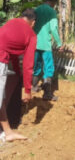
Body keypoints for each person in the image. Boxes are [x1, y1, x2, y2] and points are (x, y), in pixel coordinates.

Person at [0, 8, 37, 141]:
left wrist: (16, 71)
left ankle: (8, 131)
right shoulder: (31, 35)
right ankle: (8, 132)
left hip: (2, 56)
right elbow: (28, 65)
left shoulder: (11, 23)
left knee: (1, 100)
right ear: (33, 22)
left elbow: (13, 53)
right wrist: (27, 90)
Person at [32, 0, 63, 100]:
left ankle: (34, 87)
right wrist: (59, 43)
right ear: (53, 1)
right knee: (48, 68)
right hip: (46, 45)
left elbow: (32, 25)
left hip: (35, 43)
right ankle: (47, 94)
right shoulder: (52, 12)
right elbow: (53, 29)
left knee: (36, 66)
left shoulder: (37, 10)